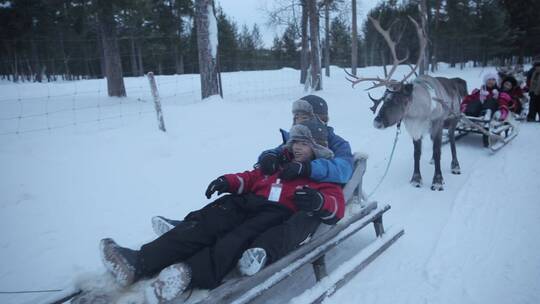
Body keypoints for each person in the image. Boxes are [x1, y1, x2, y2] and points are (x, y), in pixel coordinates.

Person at [99, 118, 345, 303]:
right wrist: (228, 181)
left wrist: (316, 201)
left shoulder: (319, 175)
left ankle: (190, 274)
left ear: (318, 147)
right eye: (295, 142)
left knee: (237, 238)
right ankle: (140, 262)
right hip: (246, 202)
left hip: (275, 213)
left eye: (304, 143)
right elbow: (251, 177)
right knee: (204, 223)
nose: (298, 148)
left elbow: (336, 205)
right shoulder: (280, 163)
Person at [526, 56, 540, 122]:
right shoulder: (532, 71)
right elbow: (528, 80)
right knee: (532, 105)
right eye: (536, 66)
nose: (538, 67)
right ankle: (531, 117)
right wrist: (528, 87)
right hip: (533, 92)